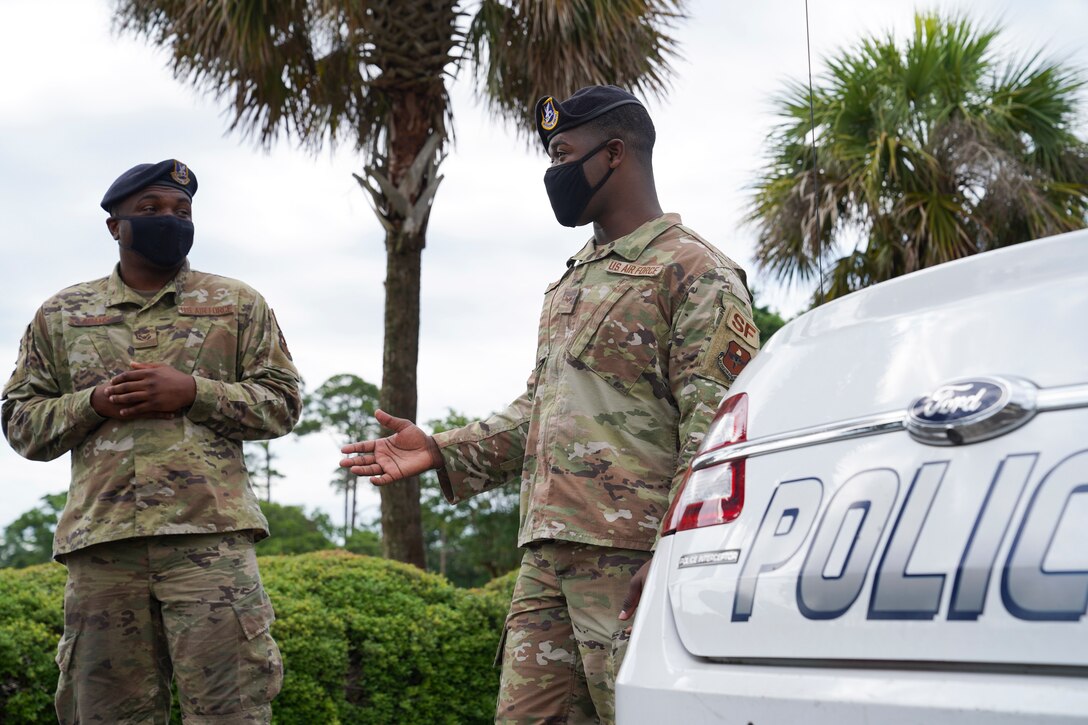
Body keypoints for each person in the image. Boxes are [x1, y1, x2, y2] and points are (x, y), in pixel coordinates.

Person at [340, 86, 760, 724]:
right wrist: (441, 449)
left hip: (633, 558)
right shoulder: (572, 280)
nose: (552, 172)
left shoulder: (695, 272)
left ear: (614, 153)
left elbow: (717, 430)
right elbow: (536, 412)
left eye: (563, 153)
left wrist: (676, 552)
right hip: (546, 559)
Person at [1, 159, 302, 724]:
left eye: (181, 211)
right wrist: (92, 404)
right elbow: (20, 423)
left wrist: (194, 392)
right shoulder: (63, 314)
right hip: (103, 551)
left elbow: (283, 404)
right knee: (107, 715)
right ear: (115, 225)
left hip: (209, 546)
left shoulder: (236, 305)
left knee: (230, 712)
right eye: (151, 210)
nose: (170, 219)